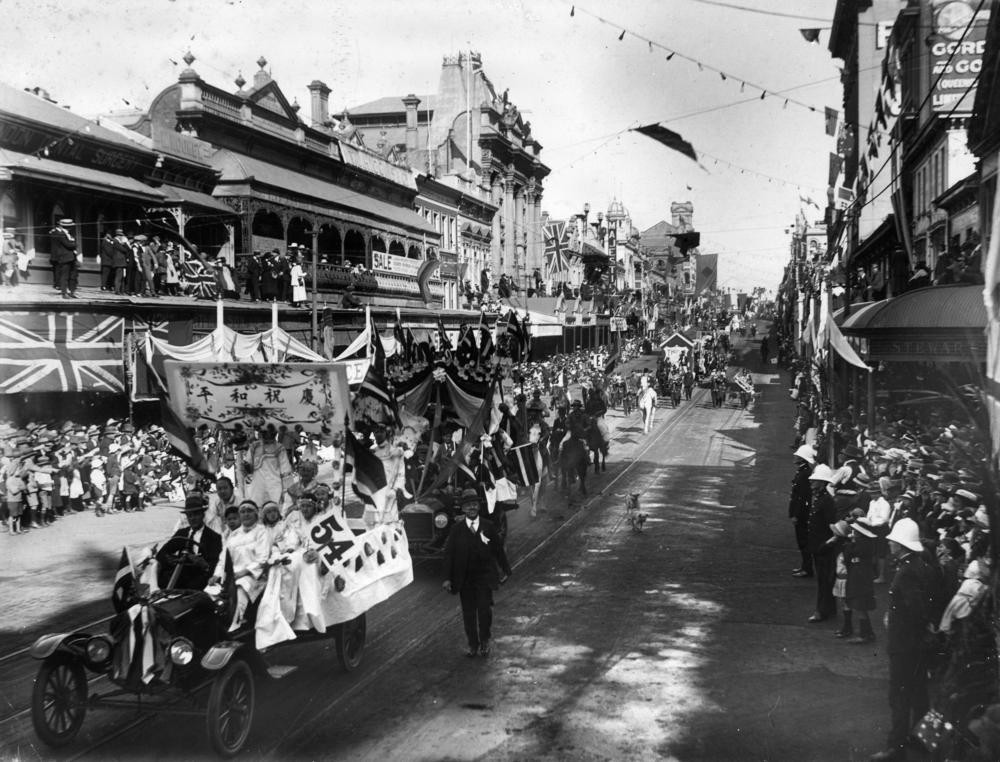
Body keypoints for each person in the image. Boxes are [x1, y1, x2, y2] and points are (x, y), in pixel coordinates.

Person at [870, 517, 941, 761]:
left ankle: (895, 748)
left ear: (901, 545)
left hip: (905, 645)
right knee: (919, 692)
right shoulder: (922, 565)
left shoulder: (907, 572)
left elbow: (916, 610)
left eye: (893, 542)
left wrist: (896, 620)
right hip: (918, 644)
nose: (889, 545)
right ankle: (923, 741)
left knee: (899, 694)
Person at [442, 488, 511, 657]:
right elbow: (449, 554)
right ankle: (473, 645)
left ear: (478, 507)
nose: (471, 508)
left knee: (484, 611)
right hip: (465, 579)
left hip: (484, 577)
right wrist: (446, 578)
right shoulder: (456, 530)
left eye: (474, 504)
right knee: (469, 613)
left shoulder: (488, 526)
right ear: (463, 509)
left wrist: (506, 569)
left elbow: (498, 550)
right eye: (468, 505)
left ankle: (485, 641)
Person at [211, 499, 270, 632]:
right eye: (242, 512)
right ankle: (213, 625)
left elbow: (263, 558)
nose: (246, 514)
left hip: (254, 575)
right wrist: (216, 575)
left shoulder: (262, 532)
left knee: (240, 586)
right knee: (210, 591)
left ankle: (236, 624)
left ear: (256, 514)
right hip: (233, 574)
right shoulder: (234, 535)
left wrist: (244, 572)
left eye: (249, 511)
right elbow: (223, 559)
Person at [156, 494, 223, 590]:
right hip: (179, 576)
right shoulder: (182, 533)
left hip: (200, 579)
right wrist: (171, 559)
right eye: (190, 515)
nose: (193, 518)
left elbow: (216, 564)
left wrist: (204, 564)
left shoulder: (214, 537)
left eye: (196, 514)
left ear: (203, 515)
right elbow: (162, 553)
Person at [788, 444, 815, 578]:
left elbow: (802, 497)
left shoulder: (804, 474)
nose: (794, 456)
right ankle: (805, 566)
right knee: (802, 541)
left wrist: (796, 515)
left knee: (803, 541)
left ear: (802, 458)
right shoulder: (803, 471)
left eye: (797, 455)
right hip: (801, 511)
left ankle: (807, 568)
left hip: (802, 513)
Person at [50, 218, 79, 299]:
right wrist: (73, 244)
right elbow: (69, 245)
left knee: (73, 276)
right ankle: (64, 293)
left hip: (72, 257)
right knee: (64, 276)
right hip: (64, 258)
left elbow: (73, 243)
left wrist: (73, 243)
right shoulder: (61, 234)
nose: (70, 228)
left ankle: (72, 292)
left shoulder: (69, 234)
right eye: (69, 227)